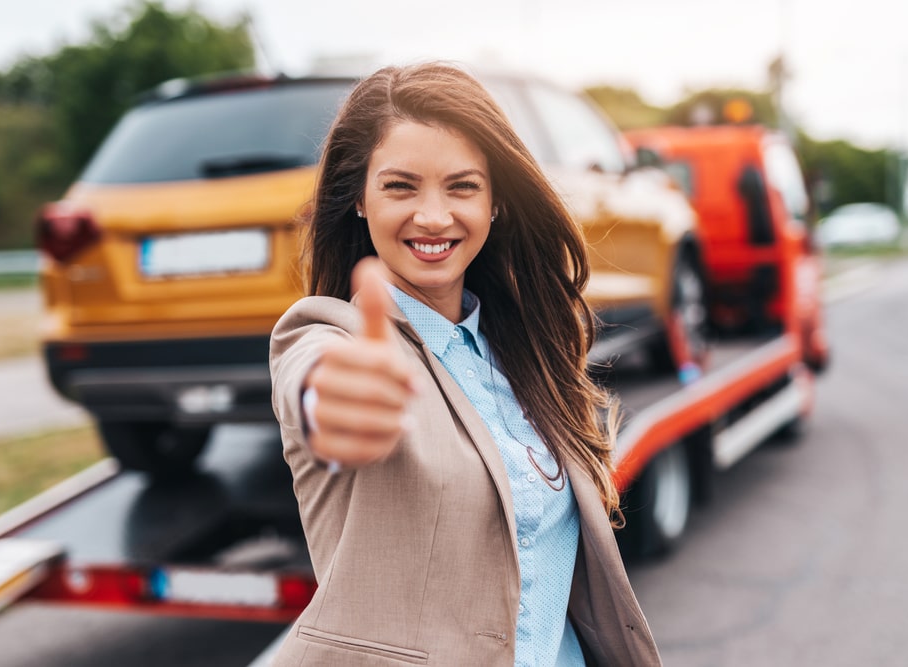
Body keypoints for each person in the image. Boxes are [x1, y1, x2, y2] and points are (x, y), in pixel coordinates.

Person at [269, 62, 662, 666]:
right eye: (401, 187)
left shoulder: (524, 353)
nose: (433, 216)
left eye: (462, 186)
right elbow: (315, 384)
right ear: (358, 199)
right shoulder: (329, 337)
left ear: (496, 202)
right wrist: (339, 401)